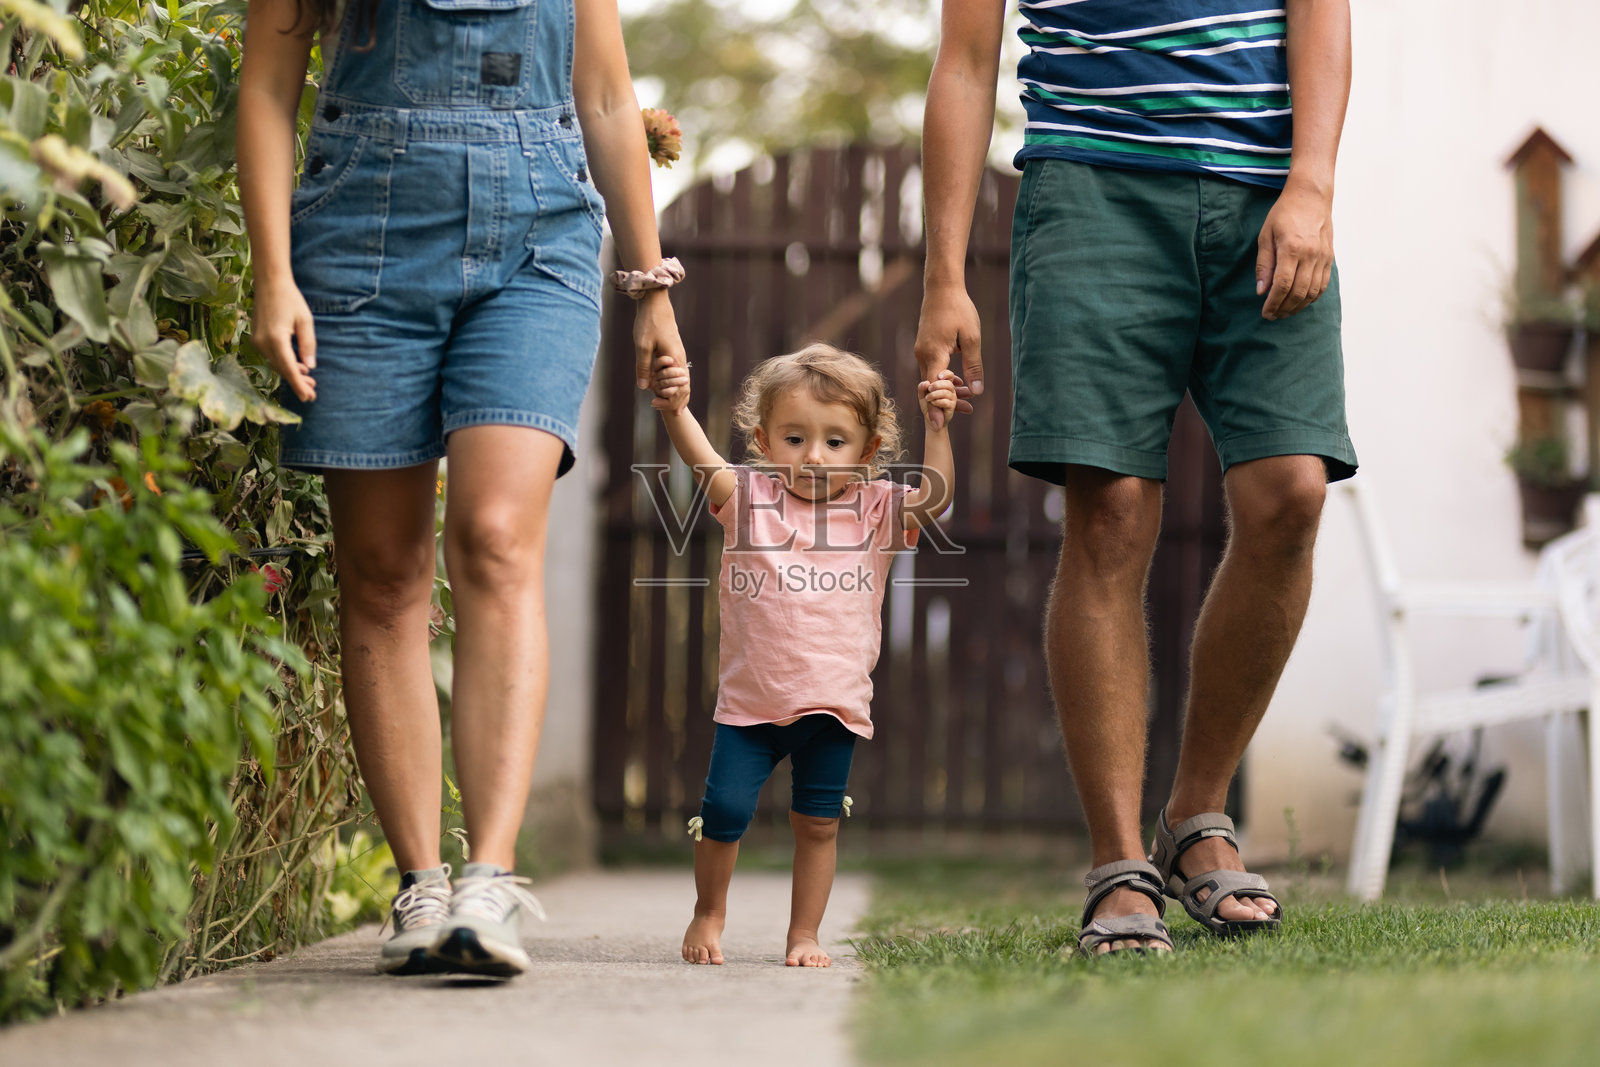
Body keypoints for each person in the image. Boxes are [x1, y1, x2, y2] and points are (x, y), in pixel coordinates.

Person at [238, 0, 685, 976]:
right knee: (382, 571)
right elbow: (268, 90)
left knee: (494, 536)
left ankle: (489, 881)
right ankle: (420, 884)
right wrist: (274, 274)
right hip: (360, 237)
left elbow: (608, 96)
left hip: (540, 244)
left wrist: (651, 289)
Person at [916, 0, 1356, 954]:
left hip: (1264, 190)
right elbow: (965, 61)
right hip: (1093, 187)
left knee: (1292, 493)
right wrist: (944, 276)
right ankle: (1119, 861)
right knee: (1110, 512)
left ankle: (1196, 814)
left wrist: (1312, 181)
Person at [649, 344, 958, 966]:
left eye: (835, 442)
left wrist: (938, 426)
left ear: (868, 451)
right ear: (764, 441)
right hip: (750, 705)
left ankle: (805, 935)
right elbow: (702, 459)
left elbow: (936, 499)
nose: (813, 455)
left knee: (818, 824)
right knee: (723, 812)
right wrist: (676, 410)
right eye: (795, 438)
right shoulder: (749, 498)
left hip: (834, 707)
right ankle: (709, 913)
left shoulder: (877, 509)